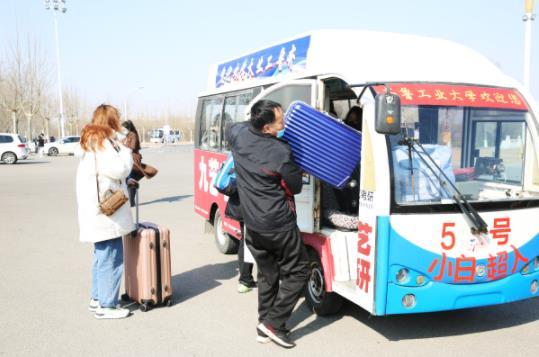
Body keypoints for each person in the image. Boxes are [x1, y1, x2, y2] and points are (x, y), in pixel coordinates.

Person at [226, 100, 310, 349]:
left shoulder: (238, 135)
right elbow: (295, 186)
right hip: (278, 224)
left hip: (251, 224)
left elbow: (231, 126)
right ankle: (273, 324)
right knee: (299, 271)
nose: (284, 123)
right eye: (280, 121)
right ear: (266, 128)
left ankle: (264, 325)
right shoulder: (280, 152)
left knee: (268, 274)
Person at [76, 104, 134, 319]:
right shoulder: (103, 143)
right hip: (106, 212)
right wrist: (126, 149)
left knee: (102, 255)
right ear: (111, 121)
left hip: (94, 208)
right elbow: (121, 169)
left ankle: (97, 298)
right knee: (111, 255)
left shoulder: (90, 140)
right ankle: (107, 306)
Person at [121, 120, 143, 207]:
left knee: (130, 180)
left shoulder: (132, 135)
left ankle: (131, 201)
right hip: (128, 159)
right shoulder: (125, 135)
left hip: (133, 160)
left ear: (128, 128)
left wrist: (122, 146)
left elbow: (132, 147)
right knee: (129, 179)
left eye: (123, 128)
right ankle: (131, 201)